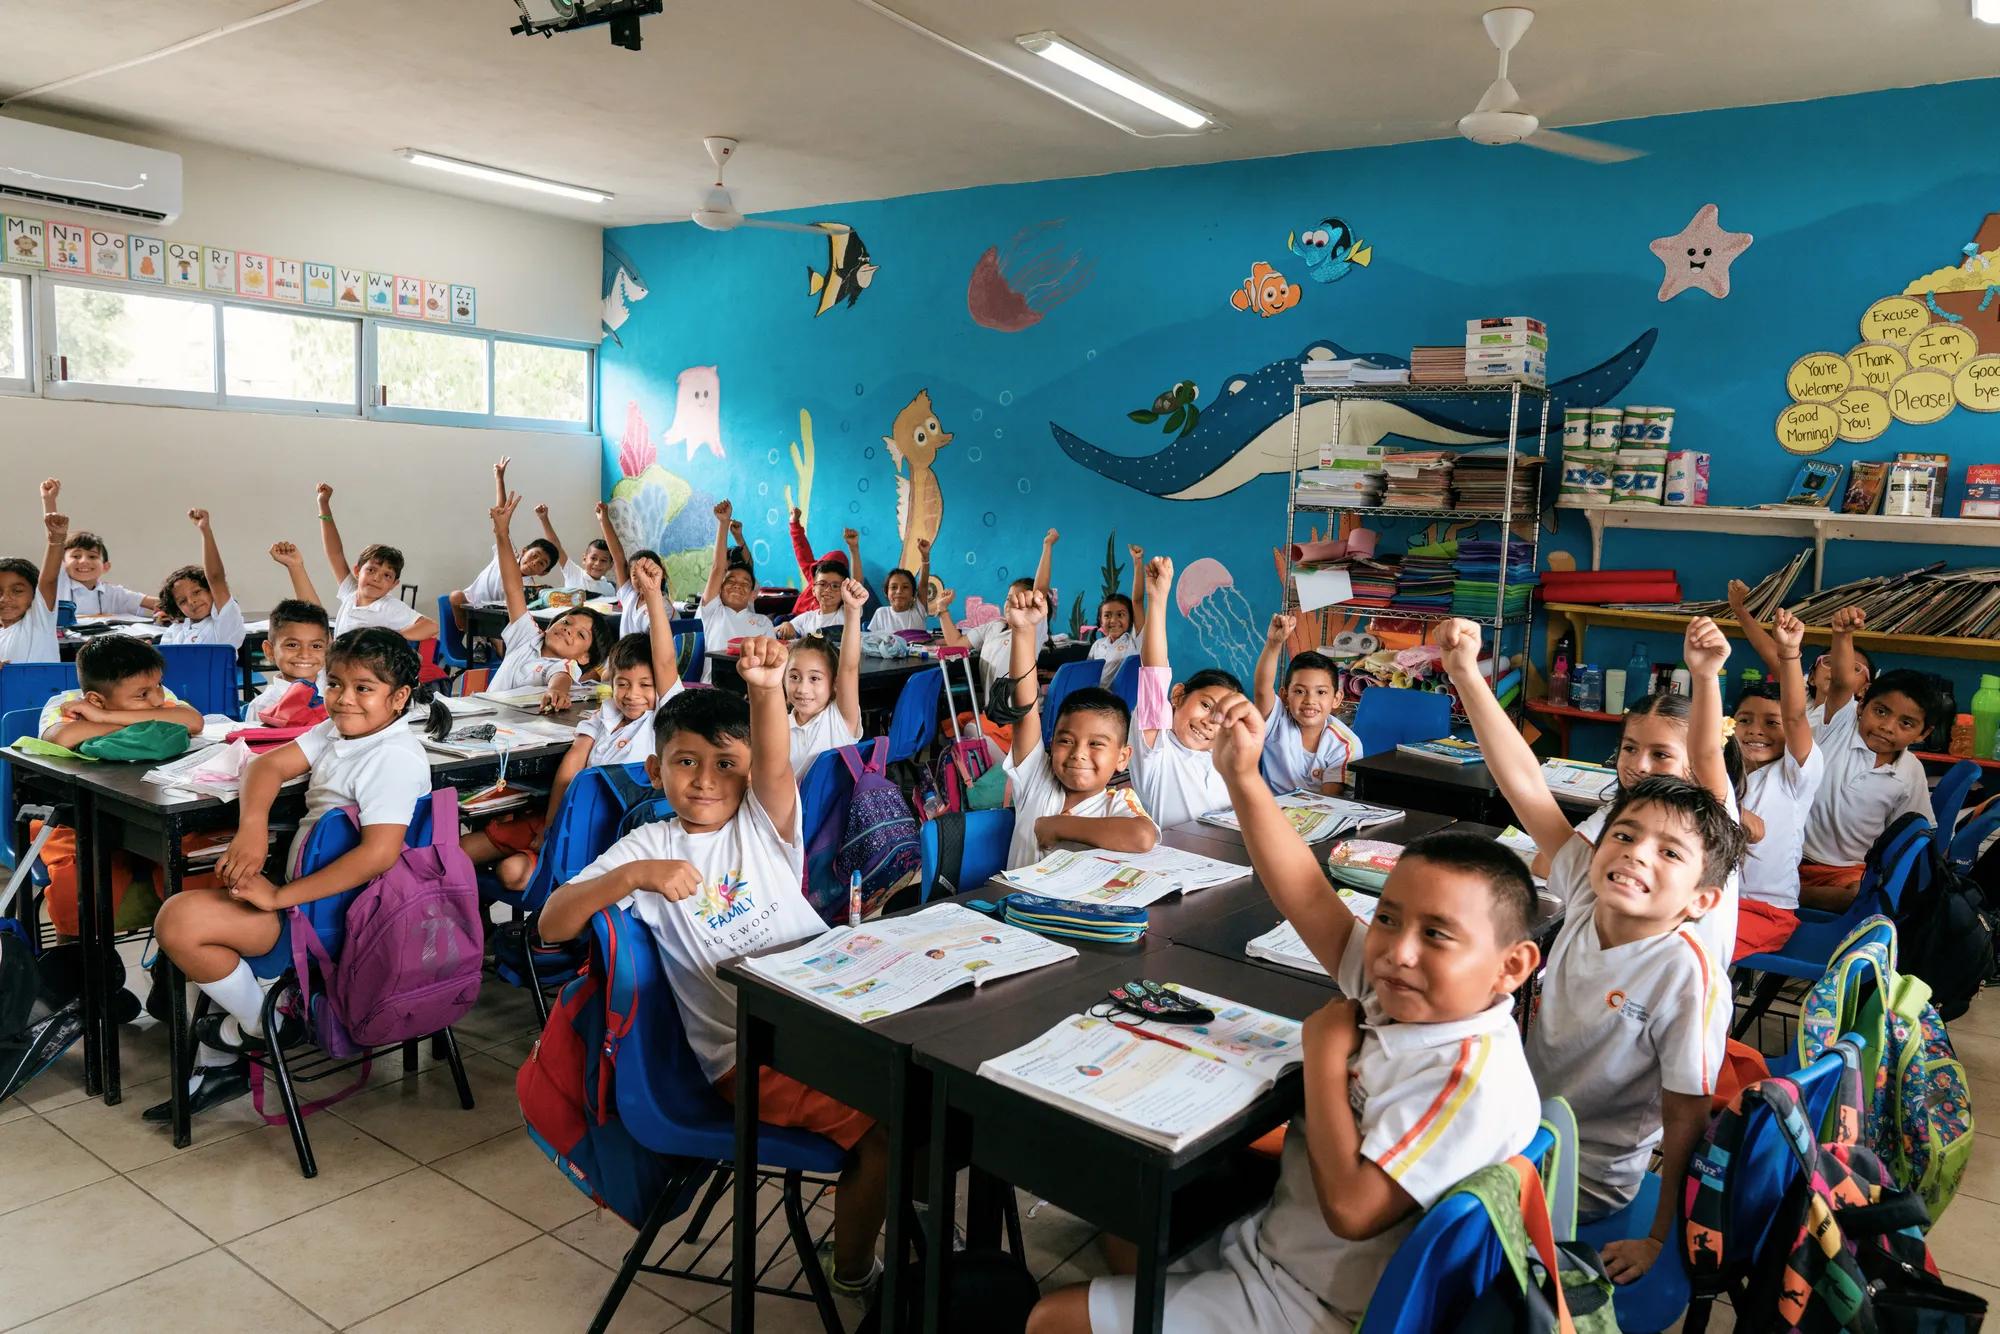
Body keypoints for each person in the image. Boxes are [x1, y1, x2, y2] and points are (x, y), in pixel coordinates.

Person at [1030, 703, 1542, 1334]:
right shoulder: (1413, 994)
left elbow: (1352, 1210)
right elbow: (1304, 890)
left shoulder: (1467, 1073)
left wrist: (1326, 1060)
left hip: (1316, 1306)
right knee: (1126, 1221)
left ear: (1512, 966)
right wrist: (1244, 778)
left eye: (1438, 934)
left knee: (1051, 1318)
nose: (1398, 950)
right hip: (1277, 1248)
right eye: (1386, 918)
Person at [535, 649, 889, 1299]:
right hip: (752, 1056)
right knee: (887, 1131)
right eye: (686, 762)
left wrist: (762, 689)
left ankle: (893, 1209)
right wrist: (632, 876)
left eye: (727, 765)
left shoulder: (765, 821)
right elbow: (551, 925)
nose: (705, 780)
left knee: (928, 1088)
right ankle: (854, 1268)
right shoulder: (649, 846)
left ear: (749, 774)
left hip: (829, 1017)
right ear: (654, 769)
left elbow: (775, 759)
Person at [145, 629, 431, 1120]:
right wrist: (251, 829)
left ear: (399, 696)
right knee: (198, 906)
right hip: (309, 903)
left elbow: (378, 855)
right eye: (336, 684)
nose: (343, 699)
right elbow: (264, 768)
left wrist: (280, 897)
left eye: (364, 688)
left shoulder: (393, 757)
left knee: (179, 922)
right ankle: (224, 1062)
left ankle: (263, 1024)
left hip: (335, 921)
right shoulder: (341, 730)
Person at [1440, 615, 1745, 967]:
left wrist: (1705, 677)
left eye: (1661, 754)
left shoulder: (1709, 821)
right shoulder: (1615, 822)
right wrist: (1465, 675)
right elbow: (1524, 785)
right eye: (1630, 748)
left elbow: (1707, 752)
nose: (1640, 765)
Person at [464, 558, 683, 891]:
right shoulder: (604, 714)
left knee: (513, 872)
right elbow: (571, 767)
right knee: (482, 858)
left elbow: (664, 660)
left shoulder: (662, 716)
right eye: (623, 684)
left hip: (619, 830)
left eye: (645, 685)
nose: (632, 695)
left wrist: (652, 594)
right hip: (569, 816)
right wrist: (550, 826)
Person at [999, 587, 1157, 870]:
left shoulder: (1117, 804)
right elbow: (1024, 710)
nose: (1078, 754)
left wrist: (1058, 826)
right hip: (1009, 910)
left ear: (1122, 757)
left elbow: (1143, 836)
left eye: (1096, 744)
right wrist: (1023, 631)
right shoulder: (1037, 777)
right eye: (1066, 740)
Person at [1799, 607, 1943, 909]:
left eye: (1906, 723)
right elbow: (1840, 683)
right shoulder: (1840, 724)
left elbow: (1914, 831)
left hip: (1847, 872)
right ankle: (1780, 889)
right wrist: (1843, 635)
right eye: (1881, 711)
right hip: (1792, 854)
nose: (1887, 727)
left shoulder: (1909, 772)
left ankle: (1790, 895)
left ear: (1923, 733)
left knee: (1860, 895)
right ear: (1862, 704)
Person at [1724, 598, 1825, 958]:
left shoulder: (1793, 777)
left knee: (1685, 954)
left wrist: (1789, 655)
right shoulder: (1721, 771)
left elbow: (1797, 716)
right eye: (1745, 720)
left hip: (1764, 912)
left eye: (1771, 722)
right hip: (1714, 902)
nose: (1755, 731)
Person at [1128, 556, 1243, 830]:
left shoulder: (1224, 762)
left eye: (1222, 717)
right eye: (1206, 705)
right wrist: (1157, 599)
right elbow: (1154, 676)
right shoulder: (1156, 751)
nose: (1210, 721)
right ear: (1178, 695)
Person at [485, 493, 614, 708]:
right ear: (551, 624)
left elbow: (560, 678)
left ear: (584, 657)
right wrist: (502, 532)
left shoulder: (565, 666)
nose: (568, 630)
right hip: (483, 717)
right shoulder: (526, 637)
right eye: (566, 622)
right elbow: (513, 589)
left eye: (581, 634)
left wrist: (556, 691)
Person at [936, 529, 1058, 692]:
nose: (1011, 603)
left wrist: (1047, 546)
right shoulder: (993, 627)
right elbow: (956, 643)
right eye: (1008, 598)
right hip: (993, 712)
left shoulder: (1033, 627)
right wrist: (942, 609)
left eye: (1019, 599)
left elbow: (1040, 591)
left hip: (1020, 712)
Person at [1253, 615, 1362, 795]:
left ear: (1337, 698)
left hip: (1317, 815)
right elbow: (1261, 689)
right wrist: (1274, 644)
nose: (1310, 700)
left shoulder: (1345, 744)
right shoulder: (1277, 721)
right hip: (1270, 812)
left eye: (1321, 692)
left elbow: (1330, 799)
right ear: (1284, 696)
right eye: (1299, 691)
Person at [315, 482, 438, 641]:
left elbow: (431, 626)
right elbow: (335, 553)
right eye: (371, 570)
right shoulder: (350, 593)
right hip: (340, 663)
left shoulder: (388, 606)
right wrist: (323, 504)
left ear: (394, 584)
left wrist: (387, 639)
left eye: (387, 575)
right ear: (357, 571)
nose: (376, 578)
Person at [448, 460, 561, 625]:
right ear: (523, 551)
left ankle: (485, 642)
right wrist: (499, 478)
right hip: (471, 604)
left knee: (502, 630)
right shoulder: (506, 554)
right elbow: (502, 517)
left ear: (543, 572)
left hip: (494, 617)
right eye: (534, 555)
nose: (535, 562)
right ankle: (468, 634)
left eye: (542, 563)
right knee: (455, 595)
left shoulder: (528, 589)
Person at [38, 635, 202, 748]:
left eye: (160, 683)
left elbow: (194, 721)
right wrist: (155, 724)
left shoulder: (154, 689)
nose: (158, 700)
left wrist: (104, 717)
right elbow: (62, 738)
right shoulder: (66, 705)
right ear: (96, 701)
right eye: (142, 695)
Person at [785, 577, 866, 776]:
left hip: (833, 808)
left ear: (834, 683)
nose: (803, 689)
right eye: (794, 677)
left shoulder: (839, 719)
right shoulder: (780, 725)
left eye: (815, 678)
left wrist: (852, 611)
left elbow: (848, 667)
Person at [40, 479, 156, 616]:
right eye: (76, 556)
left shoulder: (114, 593)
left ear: (106, 566)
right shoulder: (59, 584)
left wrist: (169, 610)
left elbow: (155, 603)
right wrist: (49, 500)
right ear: (62, 562)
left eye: (93, 556)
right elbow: (54, 538)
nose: (84, 561)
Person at [697, 501, 776, 680]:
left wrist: (740, 537)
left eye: (745, 584)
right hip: (713, 689)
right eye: (730, 581)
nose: (737, 586)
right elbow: (717, 568)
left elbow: (770, 667)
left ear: (752, 593)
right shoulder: (713, 612)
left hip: (751, 691)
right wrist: (723, 523)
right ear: (720, 587)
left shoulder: (763, 623)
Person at [156, 509, 249, 649]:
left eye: (197, 592)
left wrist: (205, 530)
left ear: (210, 590)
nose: (191, 601)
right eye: (182, 601)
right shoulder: (174, 631)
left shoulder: (224, 623)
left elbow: (216, 578)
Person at [239, 595, 333, 727]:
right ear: (269, 650)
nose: (305, 654)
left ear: (327, 650)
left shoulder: (336, 693)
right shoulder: (262, 706)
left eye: (316, 646)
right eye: (292, 645)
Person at [0, 506, 67, 665]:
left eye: (17, 591)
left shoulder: (38, 621)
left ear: (34, 595)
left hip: (41, 689)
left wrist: (56, 540)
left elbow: (48, 579)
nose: (5, 598)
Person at [1087, 541, 1144, 686]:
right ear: (1100, 620)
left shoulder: (1134, 642)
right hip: (1097, 703)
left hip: (1121, 706)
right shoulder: (1097, 646)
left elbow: (1137, 600)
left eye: (1120, 614)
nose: (1113, 620)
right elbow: (1086, 675)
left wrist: (1137, 563)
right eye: (1107, 615)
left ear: (1130, 618)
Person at [867, 539, 932, 635]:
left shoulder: (918, 610)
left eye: (905, 587)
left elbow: (923, 585)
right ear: (886, 592)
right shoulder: (881, 614)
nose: (899, 591)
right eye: (893, 587)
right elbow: (873, 641)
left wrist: (925, 557)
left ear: (913, 594)